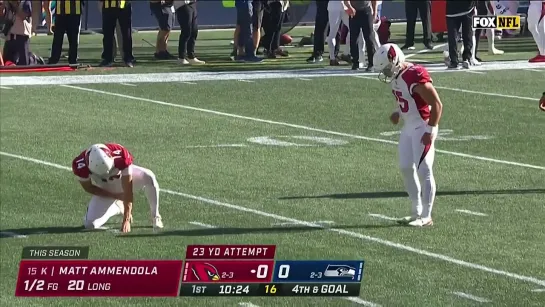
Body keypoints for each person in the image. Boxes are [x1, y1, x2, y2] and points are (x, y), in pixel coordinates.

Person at [373, 43, 443, 227]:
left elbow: (437, 105)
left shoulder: (414, 75)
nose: (386, 74)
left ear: (394, 60)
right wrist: (397, 111)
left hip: (423, 126)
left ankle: (426, 216)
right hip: (409, 126)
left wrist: (430, 130)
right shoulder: (399, 74)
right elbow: (406, 98)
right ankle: (416, 211)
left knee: (424, 169)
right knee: (405, 167)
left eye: (387, 69)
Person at [72, 143, 163, 233]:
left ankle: (155, 216)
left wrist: (126, 220)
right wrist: (115, 196)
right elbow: (89, 188)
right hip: (105, 187)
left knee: (149, 176)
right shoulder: (80, 165)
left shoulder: (121, 155)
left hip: (122, 179)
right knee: (90, 224)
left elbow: (128, 189)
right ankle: (117, 207)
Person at [343, 0, 378, 71]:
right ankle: (355, 62)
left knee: (369, 38)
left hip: (366, 11)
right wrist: (350, 7)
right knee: (353, 39)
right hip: (354, 12)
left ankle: (371, 63)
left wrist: (375, 12)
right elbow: (346, 1)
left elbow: (374, 1)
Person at [327, 0, 363, 66]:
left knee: (354, 30)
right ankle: (334, 57)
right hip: (339, 5)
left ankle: (344, 54)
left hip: (339, 5)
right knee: (334, 32)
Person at [99, 0, 135, 67]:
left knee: (126, 33)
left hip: (123, 4)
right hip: (108, 5)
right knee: (107, 33)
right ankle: (107, 58)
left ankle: (128, 58)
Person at [48, 0, 83, 65]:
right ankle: (54, 59)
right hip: (61, 10)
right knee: (58, 36)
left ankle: (73, 59)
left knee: (73, 37)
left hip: (74, 10)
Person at [445, 0, 476, 69]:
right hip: (465, 8)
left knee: (453, 36)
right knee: (467, 34)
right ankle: (466, 58)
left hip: (454, 9)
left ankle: (455, 60)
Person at [174, 0, 204, 64]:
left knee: (194, 31)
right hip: (182, 5)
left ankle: (191, 57)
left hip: (192, 4)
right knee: (186, 31)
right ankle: (181, 58)